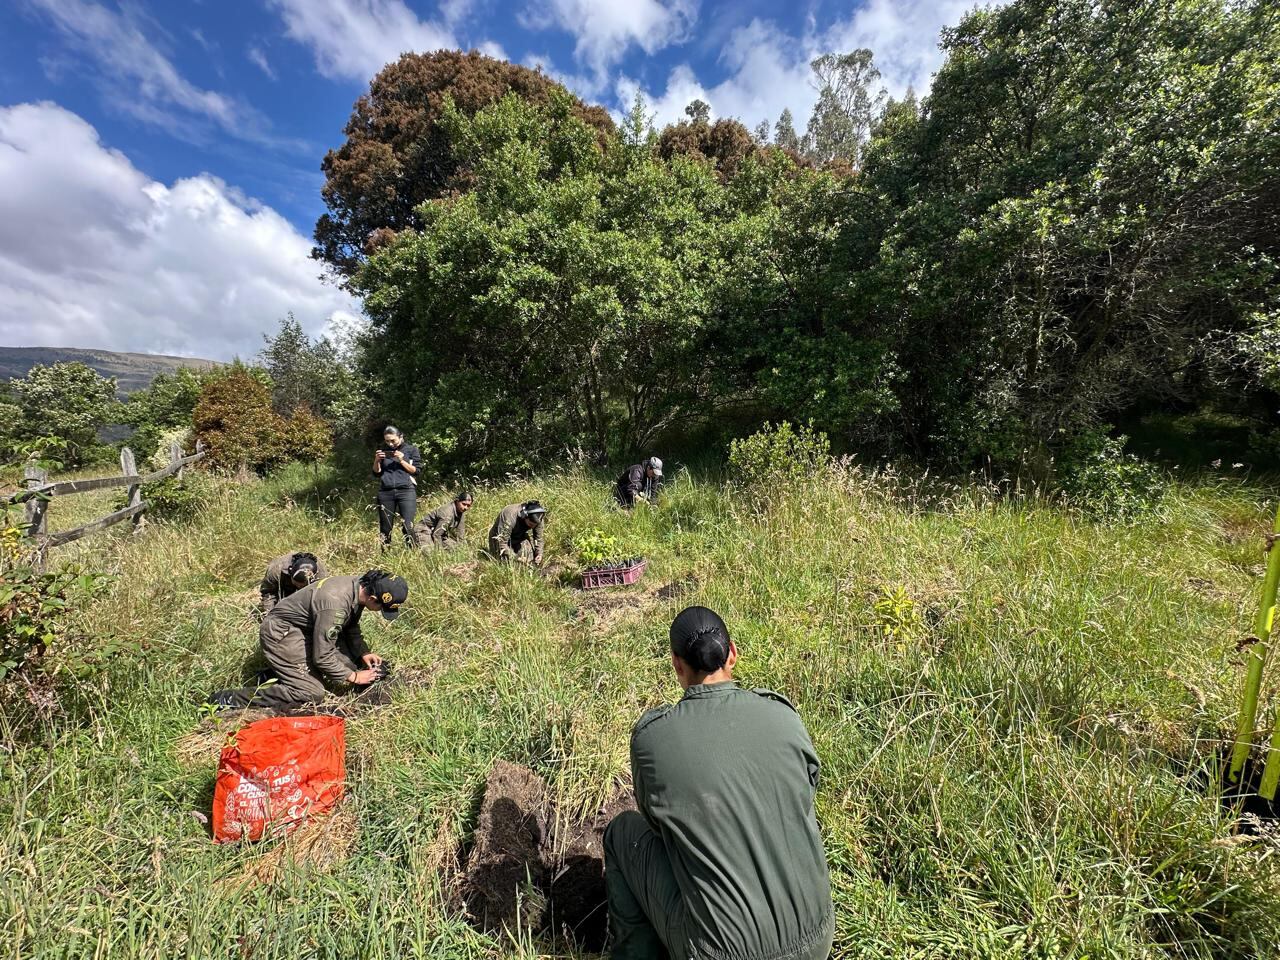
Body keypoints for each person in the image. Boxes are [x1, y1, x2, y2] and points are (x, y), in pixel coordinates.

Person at [603, 606, 834, 960]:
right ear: (733, 653)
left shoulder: (652, 737)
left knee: (622, 833)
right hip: (817, 938)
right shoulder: (782, 715)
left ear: (677, 665)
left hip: (722, 953)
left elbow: (657, 827)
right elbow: (805, 792)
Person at [209, 570, 408, 710]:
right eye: (382, 608)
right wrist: (354, 677)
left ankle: (280, 672)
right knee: (312, 693)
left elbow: (350, 625)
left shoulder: (358, 586)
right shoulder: (335, 604)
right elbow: (322, 657)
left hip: (305, 630)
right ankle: (229, 699)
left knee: (349, 663)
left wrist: (363, 652)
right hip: (281, 634)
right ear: (373, 598)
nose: (380, 611)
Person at [373, 425, 423, 548]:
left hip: (406, 491)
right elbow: (376, 473)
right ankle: (385, 555)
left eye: (393, 440)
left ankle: (412, 553)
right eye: (387, 441)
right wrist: (377, 460)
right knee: (385, 528)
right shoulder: (384, 451)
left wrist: (401, 460)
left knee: (408, 525)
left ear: (400, 437)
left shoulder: (411, 450)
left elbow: (416, 471)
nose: (390, 444)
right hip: (385, 492)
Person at [259, 551, 327, 614]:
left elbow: (322, 597)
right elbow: (268, 593)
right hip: (284, 590)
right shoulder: (276, 570)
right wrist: (269, 614)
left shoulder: (320, 574)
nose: (300, 587)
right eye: (298, 584)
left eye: (303, 586)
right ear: (290, 572)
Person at [487, 500, 546, 564]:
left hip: (519, 537)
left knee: (529, 559)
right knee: (504, 562)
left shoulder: (538, 519)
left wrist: (539, 554)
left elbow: (538, 539)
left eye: (535, 525)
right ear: (524, 516)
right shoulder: (510, 515)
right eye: (531, 525)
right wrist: (516, 558)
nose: (533, 527)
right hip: (498, 538)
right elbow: (502, 543)